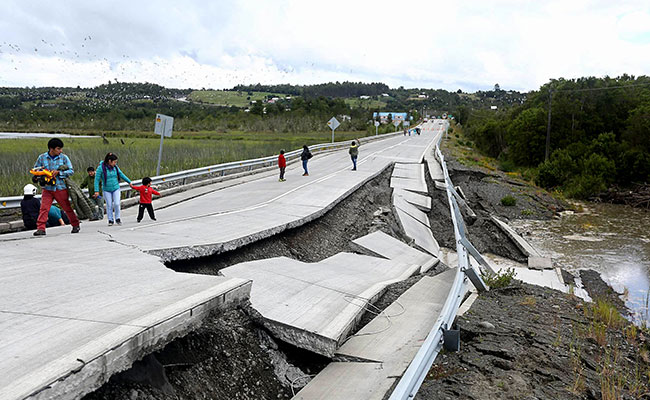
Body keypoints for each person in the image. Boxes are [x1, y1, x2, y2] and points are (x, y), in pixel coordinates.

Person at [32, 138, 81, 236]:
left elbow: (71, 171)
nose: (60, 151)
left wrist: (59, 173)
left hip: (60, 187)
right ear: (51, 149)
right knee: (44, 208)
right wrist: (38, 176)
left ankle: (75, 224)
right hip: (47, 188)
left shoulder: (63, 158)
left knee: (66, 207)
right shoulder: (42, 158)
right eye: (58, 149)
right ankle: (41, 228)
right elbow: (35, 170)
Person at [94, 152, 132, 226]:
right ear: (109, 161)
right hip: (106, 189)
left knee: (117, 203)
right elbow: (96, 180)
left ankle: (117, 218)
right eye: (114, 162)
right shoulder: (100, 168)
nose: (115, 163)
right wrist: (96, 190)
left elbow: (121, 174)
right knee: (109, 205)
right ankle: (110, 219)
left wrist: (129, 182)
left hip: (115, 188)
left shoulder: (115, 167)